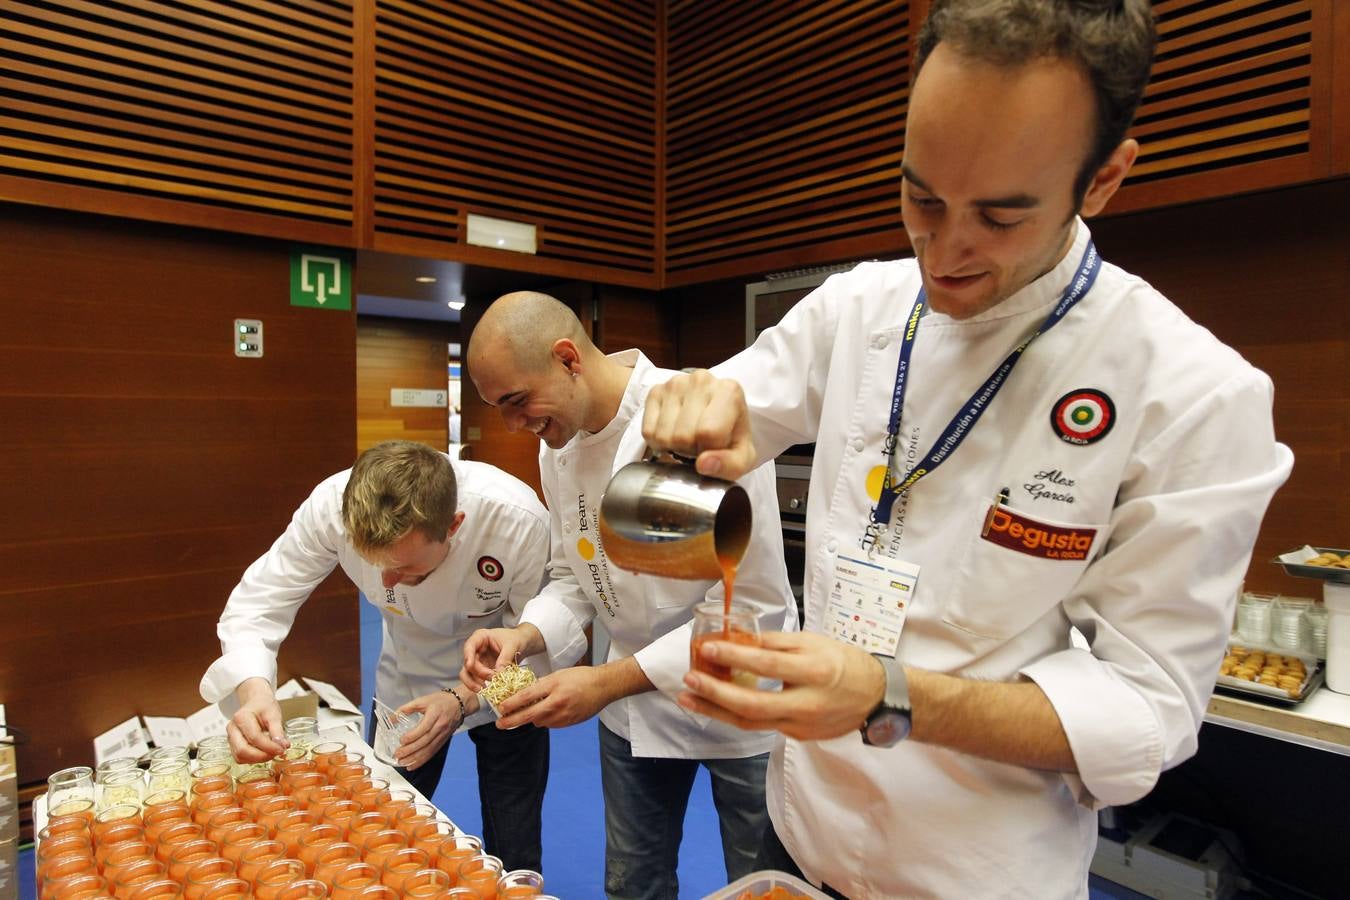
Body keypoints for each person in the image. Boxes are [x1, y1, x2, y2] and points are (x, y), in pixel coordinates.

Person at [640, 2, 1294, 897]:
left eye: (1000, 217)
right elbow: (738, 401)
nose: (944, 251)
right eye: (920, 198)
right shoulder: (859, 309)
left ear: (1101, 182)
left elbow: (1148, 713)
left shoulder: (1191, 394)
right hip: (801, 835)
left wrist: (886, 695)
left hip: (978, 872)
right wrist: (695, 401)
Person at [461, 292, 798, 900]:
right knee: (633, 882)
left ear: (567, 358)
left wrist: (606, 681)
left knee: (762, 886)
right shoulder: (557, 446)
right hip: (632, 713)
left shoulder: (698, 417)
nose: (513, 425)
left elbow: (748, 607)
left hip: (741, 697)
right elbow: (574, 573)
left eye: (516, 402)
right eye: (497, 408)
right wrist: (525, 634)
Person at [200, 440, 552, 872]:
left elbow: (540, 642)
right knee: (380, 828)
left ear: (454, 526)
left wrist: (464, 699)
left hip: (502, 681)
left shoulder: (517, 520)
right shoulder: (330, 506)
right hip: (408, 676)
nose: (388, 580)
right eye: (375, 564)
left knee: (514, 838)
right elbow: (259, 603)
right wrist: (255, 692)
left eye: (405, 568)